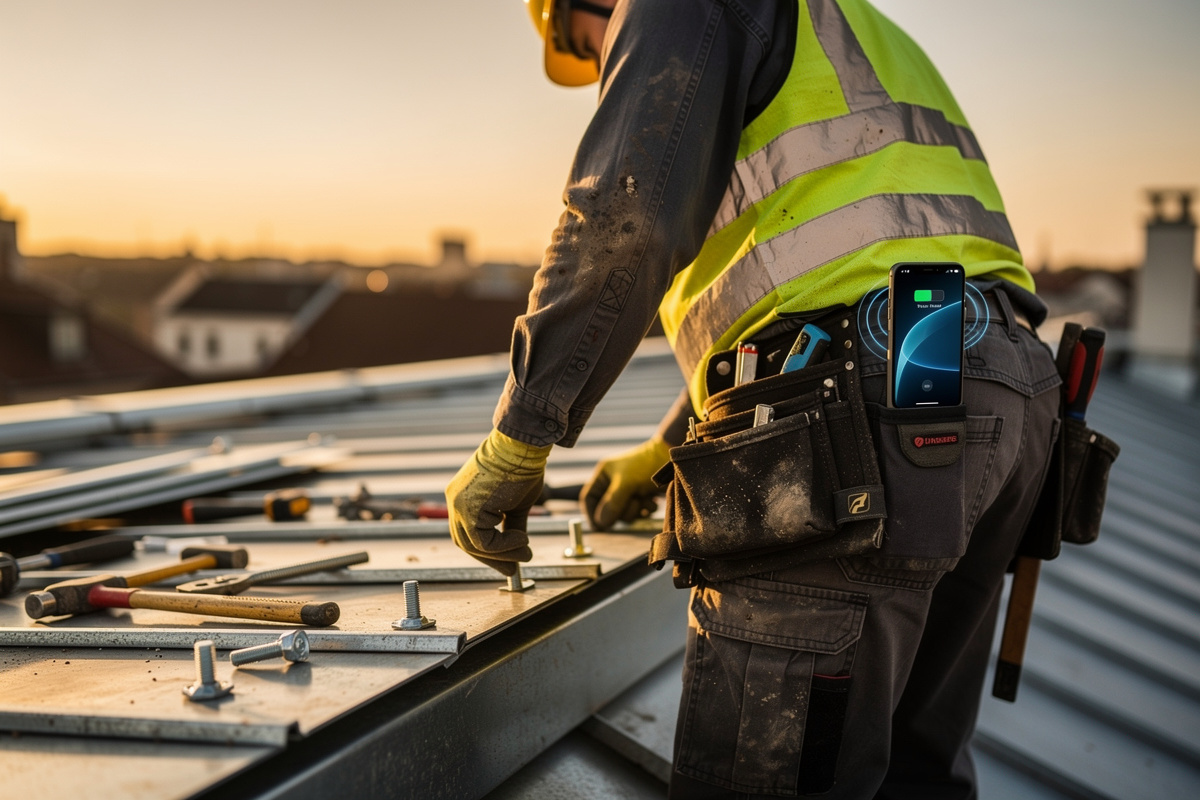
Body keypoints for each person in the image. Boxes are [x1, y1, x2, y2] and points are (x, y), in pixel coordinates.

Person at [446, 1, 1061, 797]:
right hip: (990, 378)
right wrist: (667, 445)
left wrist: (521, 434)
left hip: (870, 406)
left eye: (574, 38)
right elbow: (844, 269)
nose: (596, 60)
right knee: (915, 777)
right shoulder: (850, 31)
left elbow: (626, 215)